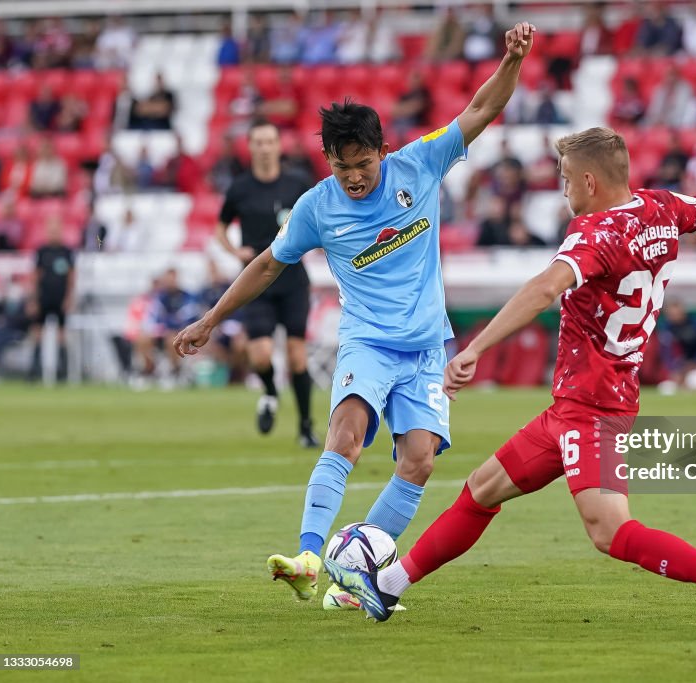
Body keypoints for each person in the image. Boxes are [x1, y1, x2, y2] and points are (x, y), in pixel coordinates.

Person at [323, 126, 696, 637]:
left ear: (588, 182)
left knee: (610, 531)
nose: (561, 191)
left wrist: (477, 348)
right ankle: (387, 587)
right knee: (482, 490)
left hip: (593, 408)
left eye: (563, 179)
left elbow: (543, 288)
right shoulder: (662, 209)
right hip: (580, 404)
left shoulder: (595, 234)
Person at [173, 22, 538, 603]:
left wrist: (513, 62)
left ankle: (358, 571)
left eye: (363, 163)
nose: (355, 177)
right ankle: (309, 557)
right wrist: (211, 319)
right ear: (328, 161)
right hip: (367, 341)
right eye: (342, 168)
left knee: (417, 461)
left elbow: (481, 108)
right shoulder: (316, 206)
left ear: (382, 151)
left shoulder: (420, 164)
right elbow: (268, 263)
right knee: (345, 434)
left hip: (423, 348)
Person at [212, 119, 317, 447]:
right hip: (255, 280)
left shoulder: (297, 183)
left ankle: (305, 426)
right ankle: (271, 392)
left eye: (270, 141)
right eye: (258, 142)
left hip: (293, 280)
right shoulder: (240, 188)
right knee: (259, 356)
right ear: (250, 146)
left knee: (298, 356)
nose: (265, 147)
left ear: (278, 145)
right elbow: (221, 226)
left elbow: (321, 216)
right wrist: (234, 249)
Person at [28, 216, 75, 381]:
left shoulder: (67, 252)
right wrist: (33, 299)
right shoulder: (42, 251)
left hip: (60, 298)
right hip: (43, 297)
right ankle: (35, 370)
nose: (54, 233)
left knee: (61, 334)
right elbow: (35, 276)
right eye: (51, 230)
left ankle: (62, 372)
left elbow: (71, 276)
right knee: (38, 332)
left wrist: (69, 297)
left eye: (56, 230)